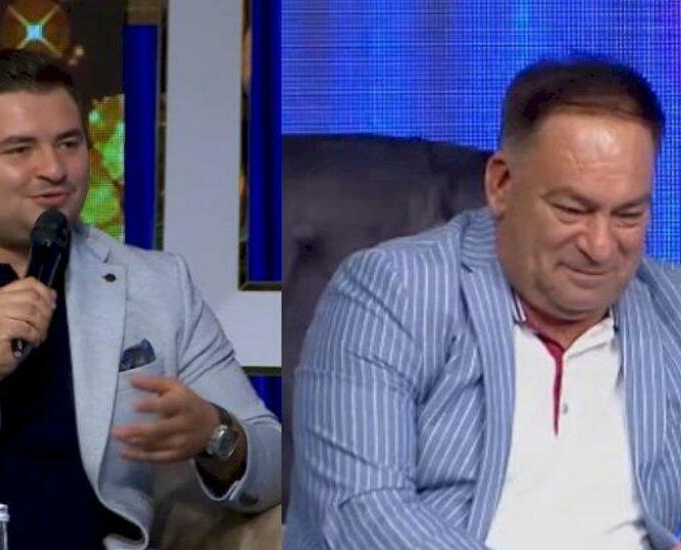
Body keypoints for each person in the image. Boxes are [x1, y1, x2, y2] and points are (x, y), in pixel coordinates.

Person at [0, 49, 280, 549]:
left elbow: (274, 464)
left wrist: (216, 434)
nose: (54, 169)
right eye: (20, 150)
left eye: (69, 144)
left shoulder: (157, 283)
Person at [285, 56, 681, 549]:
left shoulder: (669, 305)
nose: (600, 247)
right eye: (572, 210)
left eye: (627, 215)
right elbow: (360, 513)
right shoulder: (389, 292)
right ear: (501, 185)